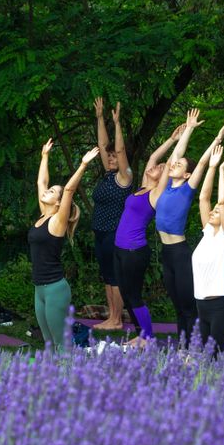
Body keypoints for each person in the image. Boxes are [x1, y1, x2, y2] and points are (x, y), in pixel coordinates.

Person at [156, 109, 224, 343]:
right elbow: (177, 153)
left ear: (188, 173)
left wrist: (218, 137)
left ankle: (191, 348)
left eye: (179, 165)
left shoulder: (187, 189)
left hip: (180, 253)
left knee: (188, 306)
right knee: (178, 306)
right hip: (166, 252)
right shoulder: (170, 185)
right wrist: (188, 128)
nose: (174, 164)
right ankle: (183, 347)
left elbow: (201, 162)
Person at [113, 126, 183, 343]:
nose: (155, 166)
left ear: (164, 176)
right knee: (125, 294)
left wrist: (182, 140)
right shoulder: (143, 187)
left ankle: (148, 337)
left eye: (161, 168)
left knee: (134, 295)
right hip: (119, 248)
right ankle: (140, 335)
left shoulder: (155, 194)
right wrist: (171, 138)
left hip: (135, 251)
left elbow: (170, 162)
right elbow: (153, 156)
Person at [31, 140, 101, 349]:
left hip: (55, 289)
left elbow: (69, 190)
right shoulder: (44, 215)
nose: (47, 192)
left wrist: (83, 165)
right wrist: (44, 156)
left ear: (60, 203)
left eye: (52, 192)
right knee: (48, 343)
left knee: (61, 343)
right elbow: (40, 183)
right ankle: (51, 380)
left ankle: (69, 378)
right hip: (39, 289)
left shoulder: (58, 222)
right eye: (50, 190)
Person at [90, 97, 133, 329]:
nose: (110, 158)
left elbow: (118, 147)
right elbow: (104, 145)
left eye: (114, 156)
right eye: (109, 156)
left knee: (115, 277)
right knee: (107, 276)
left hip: (115, 233)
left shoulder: (124, 177)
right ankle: (111, 317)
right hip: (100, 233)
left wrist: (117, 123)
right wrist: (99, 118)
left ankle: (117, 319)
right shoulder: (107, 175)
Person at [192, 142, 224, 353]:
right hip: (201, 308)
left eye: (217, 212)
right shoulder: (208, 233)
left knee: (215, 361)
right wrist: (211, 167)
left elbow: (223, 201)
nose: (212, 212)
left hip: (220, 308)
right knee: (203, 363)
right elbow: (203, 198)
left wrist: (222, 170)